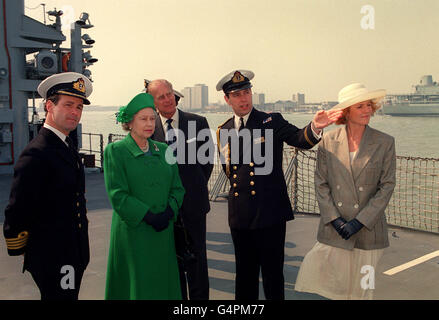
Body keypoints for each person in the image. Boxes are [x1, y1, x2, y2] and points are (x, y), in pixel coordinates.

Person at [215, 70, 342, 300]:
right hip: (240, 215)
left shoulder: (271, 121)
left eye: (246, 92)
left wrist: (315, 127)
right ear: (227, 99)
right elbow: (230, 171)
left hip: (269, 213)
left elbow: (300, 139)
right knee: (244, 275)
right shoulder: (223, 130)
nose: (243, 99)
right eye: (237, 95)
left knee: (273, 275)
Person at [295, 83, 396, 300]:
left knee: (364, 289)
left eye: (369, 105)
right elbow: (321, 183)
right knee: (336, 288)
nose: (367, 110)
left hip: (369, 234)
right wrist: (335, 220)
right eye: (360, 106)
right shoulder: (328, 141)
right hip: (336, 231)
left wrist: (359, 222)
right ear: (346, 112)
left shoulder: (385, 142)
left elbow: (386, 186)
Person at [3, 72, 93, 300]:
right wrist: (24, 247)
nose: (75, 112)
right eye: (69, 105)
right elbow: (18, 210)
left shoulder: (65, 145)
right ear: (49, 106)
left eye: (79, 107)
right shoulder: (37, 153)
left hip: (73, 251)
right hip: (54, 255)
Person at [103, 92, 185, 300]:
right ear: (130, 123)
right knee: (137, 286)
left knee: (161, 283)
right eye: (143, 119)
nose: (149, 124)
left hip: (163, 233)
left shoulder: (165, 150)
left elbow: (177, 188)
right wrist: (148, 216)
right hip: (133, 234)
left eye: (152, 118)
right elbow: (118, 194)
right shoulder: (116, 151)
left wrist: (168, 212)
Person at [148, 79, 214, 300]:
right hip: (164, 208)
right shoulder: (148, 128)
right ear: (153, 102)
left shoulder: (198, 122)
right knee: (171, 264)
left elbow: (207, 162)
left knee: (198, 264)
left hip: (193, 205)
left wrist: (191, 188)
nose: (168, 100)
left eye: (170, 94)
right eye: (161, 97)